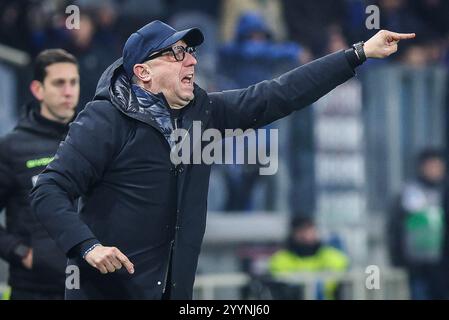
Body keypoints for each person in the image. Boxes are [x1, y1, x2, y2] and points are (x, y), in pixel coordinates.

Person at [30, 20, 415, 299]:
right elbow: (48, 188)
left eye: (191, 52)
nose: (191, 61)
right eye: (176, 54)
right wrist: (88, 247)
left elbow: (278, 94)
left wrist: (358, 53)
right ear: (143, 73)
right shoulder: (105, 118)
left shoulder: (203, 112)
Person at [0, 49, 80, 300]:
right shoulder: (11, 147)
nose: (68, 91)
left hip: (88, 288)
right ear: (37, 89)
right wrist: (22, 252)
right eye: (59, 83)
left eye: (73, 82)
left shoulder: (91, 140)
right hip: (33, 291)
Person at [387, 149, 448, 299]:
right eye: (431, 165)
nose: (435, 169)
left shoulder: (445, 192)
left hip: (443, 267)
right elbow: (395, 227)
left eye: (438, 165)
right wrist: (397, 258)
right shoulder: (410, 192)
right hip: (415, 266)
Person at [268, 216, 348, 299]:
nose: (306, 236)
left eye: (309, 230)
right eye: (301, 231)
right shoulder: (280, 260)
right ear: (292, 234)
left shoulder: (334, 257)